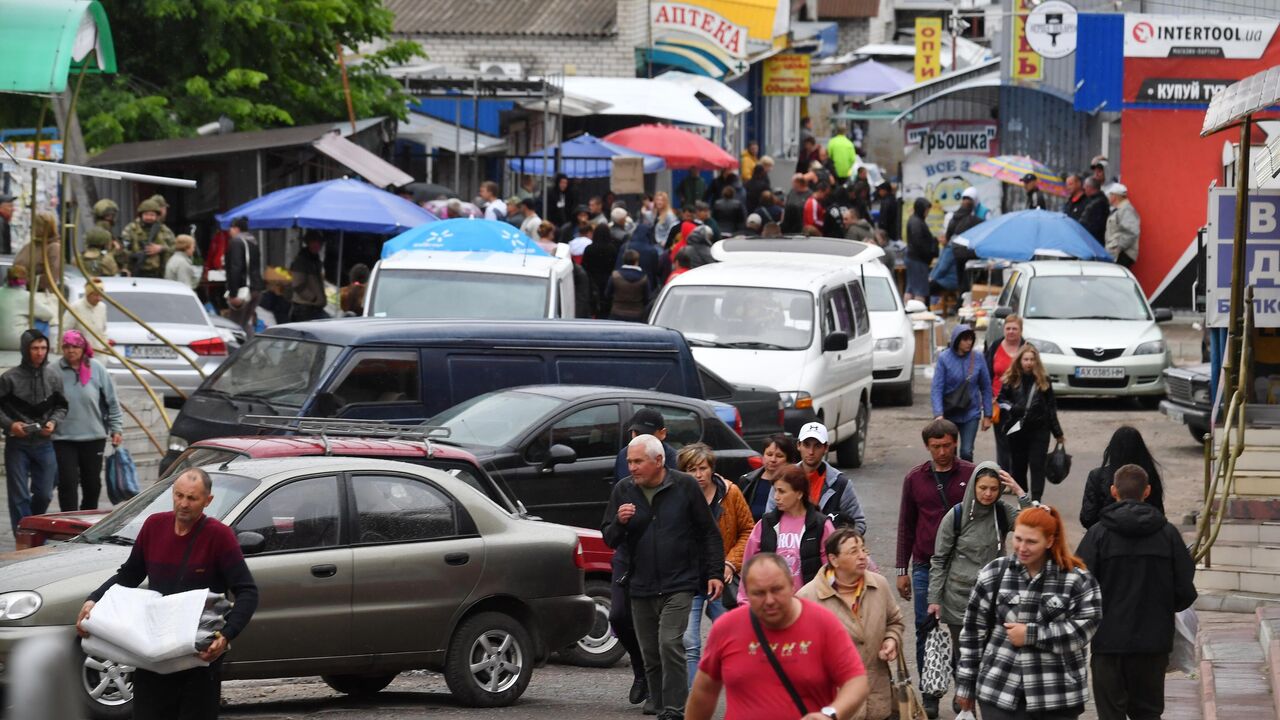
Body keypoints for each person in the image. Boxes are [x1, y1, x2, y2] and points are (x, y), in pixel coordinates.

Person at [77, 468, 260, 720]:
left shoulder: (219, 536)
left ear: (208, 501)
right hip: (153, 649)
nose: (183, 504)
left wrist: (226, 636)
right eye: (179, 495)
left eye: (192, 498)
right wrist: (94, 600)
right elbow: (128, 576)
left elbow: (247, 592)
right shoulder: (154, 526)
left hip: (197, 655)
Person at [602, 435, 724, 720]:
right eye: (629, 461)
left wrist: (714, 573)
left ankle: (674, 709)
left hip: (679, 582)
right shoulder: (623, 490)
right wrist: (619, 522)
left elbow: (709, 533)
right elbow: (609, 537)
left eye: (638, 461)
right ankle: (657, 702)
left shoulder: (685, 486)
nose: (631, 467)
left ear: (658, 461)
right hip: (640, 584)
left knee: (670, 643)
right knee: (650, 653)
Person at [954, 506, 1102, 720]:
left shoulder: (1077, 580)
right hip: (999, 693)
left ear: (1050, 541)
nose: (1022, 547)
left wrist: (1032, 635)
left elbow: (1083, 630)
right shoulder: (994, 573)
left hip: (1056, 696)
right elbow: (972, 634)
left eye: (1031, 542)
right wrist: (965, 685)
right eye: (1018, 538)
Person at [1076, 464, 1197, 720]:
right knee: (1149, 714)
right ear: (1147, 491)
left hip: (1108, 644)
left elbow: (1078, 586)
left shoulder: (1098, 535)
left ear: (1113, 491)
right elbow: (1185, 591)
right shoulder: (1168, 534)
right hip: (1152, 645)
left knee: (1110, 714)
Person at [686, 552, 869, 720]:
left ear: (791, 585)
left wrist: (831, 714)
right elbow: (704, 691)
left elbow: (856, 681)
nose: (770, 600)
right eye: (759, 593)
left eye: (776, 590)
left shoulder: (823, 623)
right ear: (746, 593)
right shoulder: (726, 627)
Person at [895, 418, 975, 717]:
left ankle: (962, 692)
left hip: (962, 566)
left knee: (962, 630)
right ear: (927, 446)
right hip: (925, 565)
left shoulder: (970, 474)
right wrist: (902, 569)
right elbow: (906, 525)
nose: (942, 451)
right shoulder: (915, 478)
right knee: (925, 629)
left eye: (947, 445)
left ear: (955, 442)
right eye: (935, 446)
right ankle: (930, 692)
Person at [927, 463, 1031, 692]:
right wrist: (934, 598)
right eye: (983, 487)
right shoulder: (956, 516)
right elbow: (939, 559)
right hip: (958, 599)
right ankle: (965, 699)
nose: (988, 494)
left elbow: (1033, 525)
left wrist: (1020, 493)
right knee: (964, 654)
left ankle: (980, 698)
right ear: (973, 486)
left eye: (994, 489)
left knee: (990, 654)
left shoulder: (1002, 512)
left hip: (993, 599)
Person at [609, 410, 678, 710]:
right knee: (619, 616)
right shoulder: (625, 456)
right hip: (629, 550)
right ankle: (640, 669)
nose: (636, 443)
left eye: (645, 434)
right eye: (634, 433)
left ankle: (659, 690)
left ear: (662, 434)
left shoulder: (673, 460)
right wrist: (619, 523)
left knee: (661, 630)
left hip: (665, 555)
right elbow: (618, 497)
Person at [798, 529, 904, 720]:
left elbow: (894, 621)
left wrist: (891, 640)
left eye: (864, 550)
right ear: (834, 559)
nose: (862, 556)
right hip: (835, 704)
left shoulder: (879, 585)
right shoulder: (808, 597)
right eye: (854, 551)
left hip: (877, 697)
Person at [679, 443, 754, 686]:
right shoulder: (677, 494)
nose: (698, 475)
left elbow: (748, 531)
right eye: (692, 469)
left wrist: (731, 564)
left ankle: (742, 694)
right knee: (689, 642)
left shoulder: (730, 493)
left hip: (721, 580)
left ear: (712, 469)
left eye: (703, 468)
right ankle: (692, 703)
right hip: (689, 580)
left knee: (733, 640)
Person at [1, 328, 68, 535]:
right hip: (17, 444)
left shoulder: (53, 376)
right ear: (25, 349)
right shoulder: (9, 378)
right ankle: (24, 535)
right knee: (18, 494)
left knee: (45, 493)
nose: (40, 352)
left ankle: (32, 526)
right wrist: (11, 425)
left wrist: (53, 424)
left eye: (43, 348)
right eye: (35, 348)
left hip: (44, 443)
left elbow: (62, 406)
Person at [737, 465, 835, 604]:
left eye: (782, 492)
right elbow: (749, 565)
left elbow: (832, 569)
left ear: (799, 494)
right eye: (775, 491)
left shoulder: (821, 525)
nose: (776, 497)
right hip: (772, 604)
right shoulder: (766, 524)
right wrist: (745, 602)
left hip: (811, 605)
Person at [51, 330, 122, 512]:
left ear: (83, 348)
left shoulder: (97, 368)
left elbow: (112, 401)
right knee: (67, 484)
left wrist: (116, 429)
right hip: (62, 438)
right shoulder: (52, 370)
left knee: (92, 485)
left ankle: (85, 521)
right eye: (66, 346)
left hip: (93, 437)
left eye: (75, 346)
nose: (71, 350)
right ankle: (68, 522)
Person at [766, 422, 866, 532]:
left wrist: (838, 543)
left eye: (817, 446)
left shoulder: (840, 484)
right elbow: (770, 518)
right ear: (798, 445)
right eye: (806, 445)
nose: (811, 452)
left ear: (826, 448)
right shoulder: (783, 477)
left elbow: (858, 523)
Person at [997, 344, 1064, 502]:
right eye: (1026, 359)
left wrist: (1058, 432)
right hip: (1017, 429)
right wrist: (1013, 408)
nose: (1029, 363)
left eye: (1032, 359)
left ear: (1036, 361)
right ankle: (1023, 497)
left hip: (1039, 429)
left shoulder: (1043, 380)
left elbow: (1050, 408)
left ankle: (1036, 499)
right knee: (1019, 466)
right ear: (1019, 360)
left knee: (1037, 465)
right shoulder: (1011, 378)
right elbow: (1001, 400)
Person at [1080, 426, 1165, 529]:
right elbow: (1158, 515)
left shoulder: (1098, 476)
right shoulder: (1149, 476)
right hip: (1145, 538)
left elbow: (1088, 518)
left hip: (1106, 539)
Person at [930, 324, 992, 461]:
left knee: (966, 452)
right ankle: (951, 480)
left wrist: (988, 414)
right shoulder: (944, 358)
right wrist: (938, 414)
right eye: (965, 339)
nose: (968, 342)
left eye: (971, 339)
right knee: (949, 452)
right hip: (949, 412)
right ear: (957, 340)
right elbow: (937, 388)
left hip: (971, 412)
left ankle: (966, 480)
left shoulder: (978, 358)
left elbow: (986, 387)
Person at [984, 314, 1025, 470]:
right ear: (1004, 329)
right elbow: (986, 374)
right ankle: (1003, 477)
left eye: (1015, 328)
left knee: (1018, 441)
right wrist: (988, 399)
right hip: (998, 402)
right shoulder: (995, 346)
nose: (1011, 332)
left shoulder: (1028, 348)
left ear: (1021, 330)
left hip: (1021, 404)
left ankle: (1016, 478)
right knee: (1002, 443)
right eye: (1008, 328)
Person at [739, 433, 801, 522]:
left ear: (788, 460)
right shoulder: (747, 481)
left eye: (779, 456)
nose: (773, 460)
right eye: (769, 454)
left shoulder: (797, 483)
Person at [225, 217, 264, 336]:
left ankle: (238, 353)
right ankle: (254, 351)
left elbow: (235, 267)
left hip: (243, 290)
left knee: (235, 326)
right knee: (245, 324)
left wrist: (233, 293)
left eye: (230, 228)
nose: (229, 231)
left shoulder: (237, 242)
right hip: (256, 288)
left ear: (236, 229)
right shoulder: (253, 242)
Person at [120, 197, 175, 278]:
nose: (149, 217)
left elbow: (175, 248)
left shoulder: (164, 230)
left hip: (158, 274)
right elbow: (122, 250)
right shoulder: (131, 229)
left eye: (152, 215)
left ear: (157, 216)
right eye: (146, 214)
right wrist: (125, 268)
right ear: (141, 215)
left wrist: (161, 248)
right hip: (135, 272)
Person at [14, 212, 62, 291]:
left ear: (45, 228)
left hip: (37, 296)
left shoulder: (54, 248)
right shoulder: (29, 246)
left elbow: (51, 277)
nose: (32, 229)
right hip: (19, 292)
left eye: (35, 225)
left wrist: (25, 281)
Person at [584, 223, 621, 316]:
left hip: (592, 279)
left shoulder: (589, 249)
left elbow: (585, 265)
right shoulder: (612, 249)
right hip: (607, 279)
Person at [289, 232, 327, 323]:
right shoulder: (302, 260)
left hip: (312, 307)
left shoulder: (315, 259)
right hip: (305, 308)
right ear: (309, 243)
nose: (318, 245)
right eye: (314, 242)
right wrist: (313, 298)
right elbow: (298, 285)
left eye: (319, 243)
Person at [606, 249, 651, 322]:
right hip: (637, 315)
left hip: (617, 312)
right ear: (636, 262)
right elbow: (647, 297)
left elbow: (607, 294)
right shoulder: (644, 278)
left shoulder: (615, 276)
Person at [905, 197, 935, 302]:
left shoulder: (915, 220)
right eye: (926, 210)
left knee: (911, 288)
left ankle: (909, 311)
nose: (927, 213)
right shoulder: (916, 222)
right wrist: (928, 254)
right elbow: (918, 243)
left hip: (913, 258)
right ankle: (919, 314)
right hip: (918, 260)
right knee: (919, 290)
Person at [1105, 183, 1140, 267]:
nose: (1108, 198)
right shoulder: (1119, 210)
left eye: (1110, 195)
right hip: (1118, 253)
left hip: (1122, 254)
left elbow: (1131, 232)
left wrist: (1116, 248)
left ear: (1115, 196)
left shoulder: (1126, 210)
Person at [1078, 177, 1110, 243]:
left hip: (1094, 240)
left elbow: (1096, 225)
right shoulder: (1092, 200)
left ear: (1090, 187)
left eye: (1085, 187)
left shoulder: (1099, 203)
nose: (1084, 189)